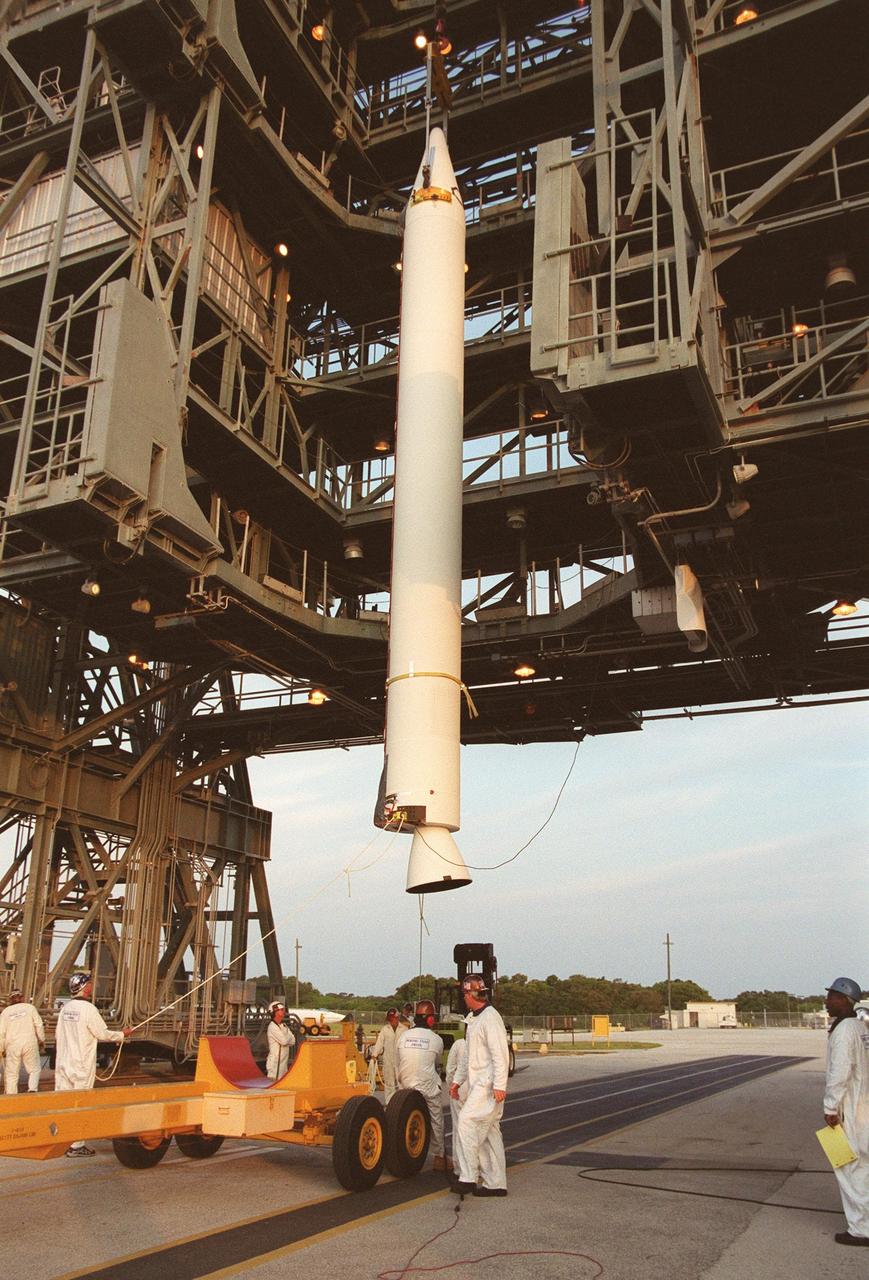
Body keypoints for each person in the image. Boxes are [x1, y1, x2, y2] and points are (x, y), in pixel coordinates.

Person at [55, 971, 132, 1157]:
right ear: (84, 987)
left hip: (64, 1063)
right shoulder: (89, 1009)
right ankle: (76, 1146)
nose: (92, 986)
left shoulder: (66, 1009)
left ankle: (62, 1140)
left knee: (64, 1104)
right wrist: (122, 1034)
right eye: (89, 983)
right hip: (81, 1065)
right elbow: (102, 1034)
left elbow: (58, 1034)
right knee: (81, 1105)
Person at [449, 974, 509, 1197]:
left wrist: (500, 1085)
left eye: (464, 994)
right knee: (491, 1133)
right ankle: (496, 1183)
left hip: (488, 1086)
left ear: (470, 994)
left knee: (466, 1122)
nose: (463, 998)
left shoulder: (490, 1018)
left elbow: (500, 1055)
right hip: (479, 1085)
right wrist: (457, 1081)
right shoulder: (474, 1019)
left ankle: (467, 1177)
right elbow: (467, 1056)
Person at [823, 976, 869, 1246]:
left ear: (844, 999)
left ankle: (860, 1230)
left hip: (850, 1109)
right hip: (863, 1104)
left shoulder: (843, 1031)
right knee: (862, 1166)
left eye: (831, 997)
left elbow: (839, 1072)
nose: (827, 1001)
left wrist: (831, 1107)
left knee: (848, 1167)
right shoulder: (860, 1027)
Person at [396, 999, 447, 1171]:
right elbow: (437, 1063)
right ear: (431, 1019)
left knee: (400, 1118)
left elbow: (399, 1061)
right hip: (427, 1087)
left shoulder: (403, 1036)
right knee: (436, 1118)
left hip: (406, 1085)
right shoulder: (436, 1039)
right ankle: (439, 1157)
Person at [0, 989, 45, 1094]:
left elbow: (1, 1032)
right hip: (29, 1042)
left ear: (10, 1000)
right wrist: (41, 1039)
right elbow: (39, 1025)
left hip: (12, 1045)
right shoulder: (30, 1008)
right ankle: (32, 1089)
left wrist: (1, 1048)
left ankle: (11, 1094)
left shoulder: (6, 1012)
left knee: (11, 1073)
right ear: (22, 998)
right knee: (34, 1069)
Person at [445, 1032, 468, 1174]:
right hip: (476, 1090)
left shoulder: (458, 1044)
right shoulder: (481, 1044)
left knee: (458, 1127)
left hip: (459, 1089)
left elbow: (450, 1069)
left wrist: (451, 1085)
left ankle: (459, 1167)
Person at [370, 1007, 401, 1103]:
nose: (391, 1021)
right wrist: (374, 1055)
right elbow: (379, 1042)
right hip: (388, 1061)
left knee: (401, 1083)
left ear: (397, 1017)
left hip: (401, 1061)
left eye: (393, 1019)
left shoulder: (404, 1029)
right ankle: (389, 1104)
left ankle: (401, 1103)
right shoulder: (385, 1029)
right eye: (390, 1019)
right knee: (389, 1084)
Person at [265, 1001, 295, 1079]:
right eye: (281, 1010)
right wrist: (288, 1035)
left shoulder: (283, 1026)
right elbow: (284, 1041)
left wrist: (286, 1037)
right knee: (274, 1083)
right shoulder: (272, 1027)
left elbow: (293, 1041)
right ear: (274, 1012)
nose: (283, 1011)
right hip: (275, 1064)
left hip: (283, 1064)